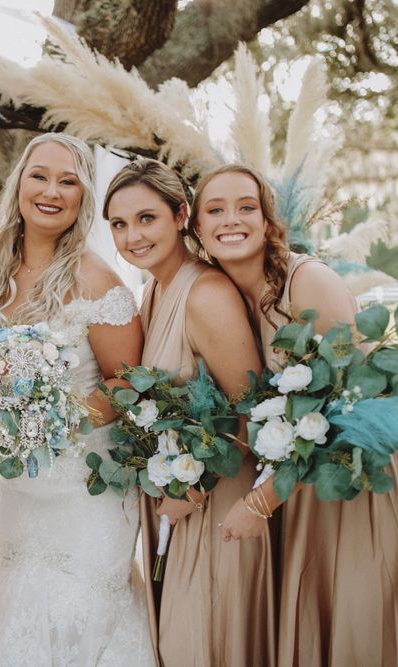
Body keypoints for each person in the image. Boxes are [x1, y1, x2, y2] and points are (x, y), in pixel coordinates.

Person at [201, 163, 398, 666]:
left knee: (371, 631)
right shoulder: (225, 296)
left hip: (374, 478)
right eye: (215, 210)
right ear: (197, 227)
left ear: (267, 221)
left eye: (246, 207)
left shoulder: (308, 280)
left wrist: (261, 503)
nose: (231, 220)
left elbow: (349, 400)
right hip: (316, 487)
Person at [0, 132, 155, 665]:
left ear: (83, 196)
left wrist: (54, 418)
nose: (51, 191)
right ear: (18, 182)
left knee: (82, 619)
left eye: (68, 181)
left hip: (86, 485)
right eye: (39, 176)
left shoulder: (97, 280)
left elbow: (127, 382)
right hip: (20, 488)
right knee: (22, 611)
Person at [104, 158, 275, 666]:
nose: (133, 236)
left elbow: (253, 413)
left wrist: (192, 492)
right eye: (119, 224)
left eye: (147, 218)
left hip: (217, 501)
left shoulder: (207, 294)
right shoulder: (153, 290)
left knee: (205, 643)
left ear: (181, 216)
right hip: (178, 498)